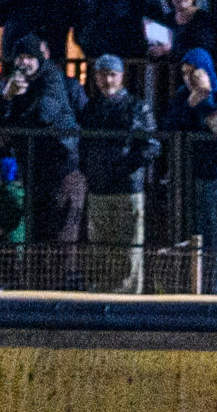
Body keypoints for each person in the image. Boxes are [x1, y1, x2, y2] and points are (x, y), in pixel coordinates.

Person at [0, 33, 86, 288]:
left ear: (40, 58)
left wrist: (13, 115)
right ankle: (35, 294)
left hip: (62, 173)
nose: (24, 63)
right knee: (35, 238)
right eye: (20, 57)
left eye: (29, 57)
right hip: (33, 174)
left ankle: (62, 298)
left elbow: (43, 116)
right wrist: (6, 97)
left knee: (62, 240)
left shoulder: (52, 79)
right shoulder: (13, 84)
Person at [163, 47, 217, 293]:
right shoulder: (180, 97)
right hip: (194, 179)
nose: (189, 78)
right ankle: (197, 292)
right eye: (184, 73)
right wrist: (189, 104)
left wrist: (205, 100)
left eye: (194, 72)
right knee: (200, 242)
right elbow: (170, 128)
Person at [79, 54, 161, 293]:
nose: (107, 79)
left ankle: (128, 299)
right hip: (100, 187)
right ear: (95, 77)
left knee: (129, 248)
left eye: (112, 74)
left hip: (127, 188)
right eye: (103, 74)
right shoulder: (92, 108)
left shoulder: (136, 107)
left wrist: (126, 167)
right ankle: (102, 295)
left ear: (122, 76)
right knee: (100, 248)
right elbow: (84, 145)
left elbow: (152, 145)